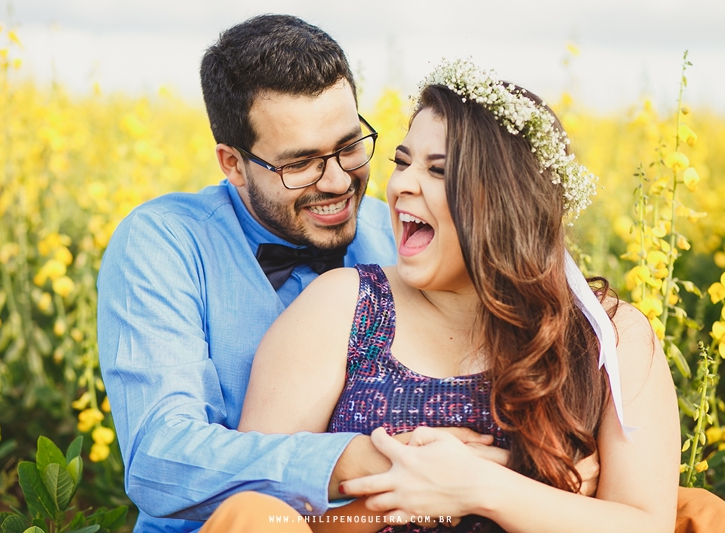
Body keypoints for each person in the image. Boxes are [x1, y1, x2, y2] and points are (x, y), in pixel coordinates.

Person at [238, 59, 684, 532]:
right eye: (403, 162)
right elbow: (252, 514)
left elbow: (646, 524)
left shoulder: (608, 338)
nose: (400, 185)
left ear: (508, 201)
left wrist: (481, 486)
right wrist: (405, 488)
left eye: (439, 170)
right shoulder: (343, 307)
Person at [97, 14, 411, 532]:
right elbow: (160, 461)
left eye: (350, 146)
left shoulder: (399, 233)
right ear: (233, 164)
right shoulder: (163, 243)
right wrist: (349, 462)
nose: (337, 181)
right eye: (301, 163)